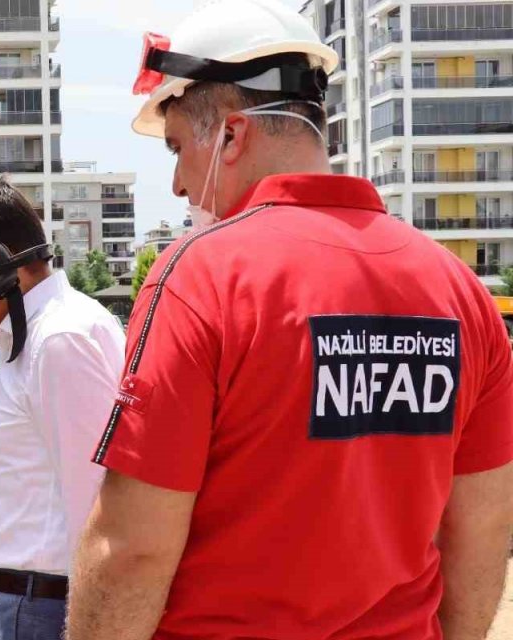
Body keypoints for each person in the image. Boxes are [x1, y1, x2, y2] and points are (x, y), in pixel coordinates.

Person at [67, 1, 513, 639]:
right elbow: (483, 526)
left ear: (231, 134)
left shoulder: (202, 278)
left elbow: (133, 549)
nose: (177, 186)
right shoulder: (458, 289)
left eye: (176, 149)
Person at [0, 177, 125, 640]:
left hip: (38, 609)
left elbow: (98, 505)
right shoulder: (41, 335)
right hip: (23, 604)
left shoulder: (59, 342)